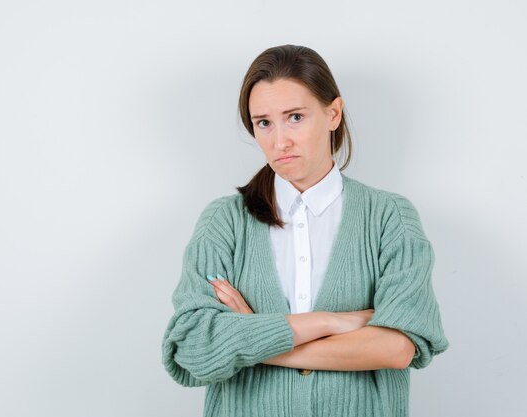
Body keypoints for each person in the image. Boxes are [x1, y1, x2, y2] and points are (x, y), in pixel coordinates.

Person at [161, 44, 448, 417]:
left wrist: (253, 335)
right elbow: (192, 348)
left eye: (295, 117)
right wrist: (330, 322)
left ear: (333, 113)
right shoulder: (223, 222)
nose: (279, 141)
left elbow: (396, 348)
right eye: (263, 123)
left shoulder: (389, 217)